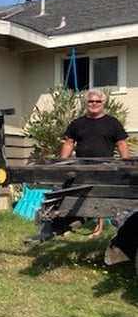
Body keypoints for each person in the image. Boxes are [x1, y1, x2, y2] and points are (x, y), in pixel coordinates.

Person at [60, 88, 130, 238]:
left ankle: (99, 228)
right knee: (76, 194)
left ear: (103, 103)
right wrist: (62, 163)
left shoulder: (112, 123)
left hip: (105, 166)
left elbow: (122, 143)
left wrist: (126, 164)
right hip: (82, 166)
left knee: (101, 196)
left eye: (97, 101)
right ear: (86, 103)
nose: (94, 104)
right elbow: (69, 143)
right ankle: (69, 224)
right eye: (91, 101)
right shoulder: (77, 123)